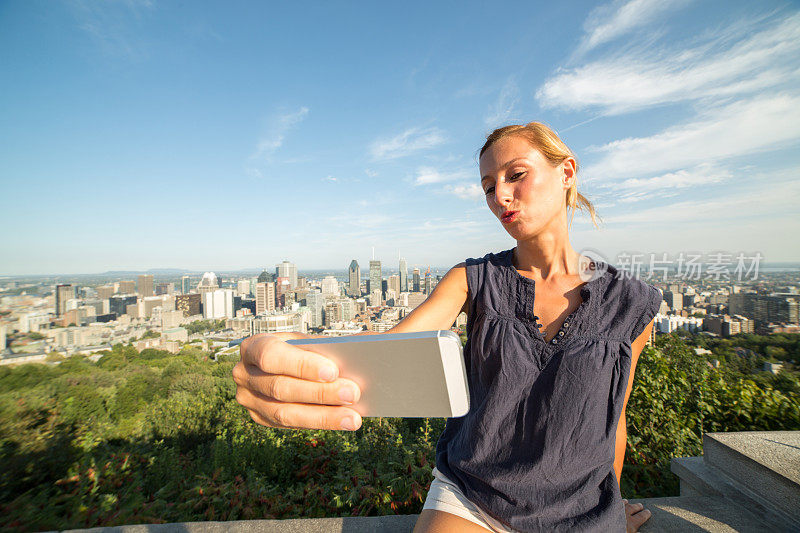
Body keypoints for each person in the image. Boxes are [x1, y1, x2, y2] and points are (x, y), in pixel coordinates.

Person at [232, 122, 660, 532]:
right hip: (474, 495)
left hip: (582, 511)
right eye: (489, 187)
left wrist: (610, 510)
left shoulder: (632, 303)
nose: (501, 197)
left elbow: (612, 417)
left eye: (516, 175)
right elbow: (392, 349)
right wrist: (282, 348)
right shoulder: (472, 280)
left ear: (566, 171)